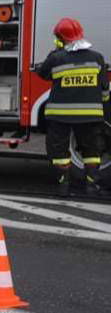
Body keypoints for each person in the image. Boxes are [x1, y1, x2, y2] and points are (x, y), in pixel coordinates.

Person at [37, 17, 108, 196]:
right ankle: (92, 185)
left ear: (61, 39)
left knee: (58, 150)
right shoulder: (98, 58)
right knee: (92, 150)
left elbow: (43, 74)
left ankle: (64, 184)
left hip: (60, 115)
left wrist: (55, 51)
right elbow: (104, 89)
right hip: (91, 115)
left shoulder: (57, 58)